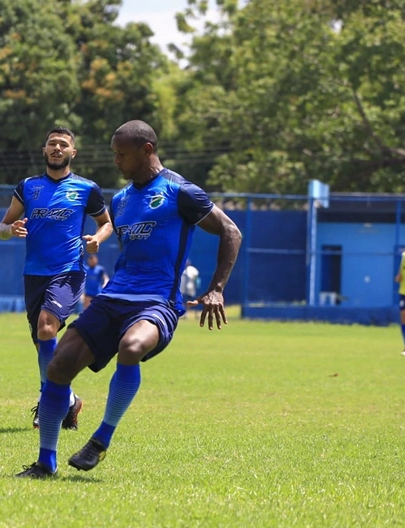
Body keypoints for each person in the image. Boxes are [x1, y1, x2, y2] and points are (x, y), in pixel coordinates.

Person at [16, 120, 242, 478]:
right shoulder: (120, 200)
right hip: (113, 297)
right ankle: (46, 463)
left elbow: (231, 230)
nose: (116, 161)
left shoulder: (180, 191)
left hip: (157, 302)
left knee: (132, 346)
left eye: (121, 154)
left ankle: (100, 440)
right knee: (59, 364)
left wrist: (216, 288)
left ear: (146, 150)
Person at [0, 126, 113, 430]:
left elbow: (106, 223)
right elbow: (2, 227)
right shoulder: (28, 187)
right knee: (41, 341)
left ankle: (49, 400)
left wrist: (97, 239)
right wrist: (10, 230)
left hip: (68, 271)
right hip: (33, 274)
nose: (57, 148)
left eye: (63, 144)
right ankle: (70, 399)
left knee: (47, 327)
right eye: (52, 144)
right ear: (44, 150)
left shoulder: (86, 188)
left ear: (73, 152)